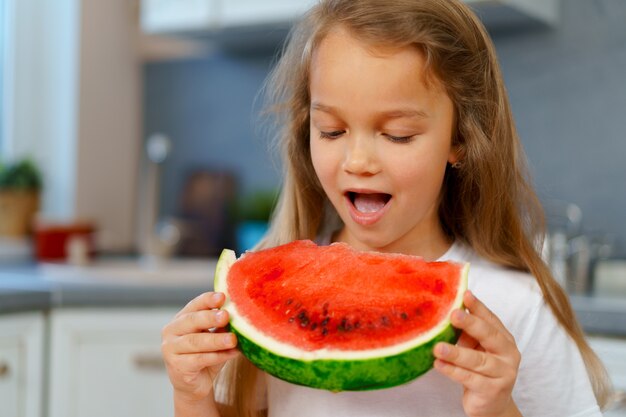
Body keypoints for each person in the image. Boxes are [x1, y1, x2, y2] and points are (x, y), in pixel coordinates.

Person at [160, 1, 612, 416]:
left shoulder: (516, 309)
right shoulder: (277, 294)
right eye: (332, 131)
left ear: (460, 138)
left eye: (397, 135)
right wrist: (192, 395)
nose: (358, 162)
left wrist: (499, 408)